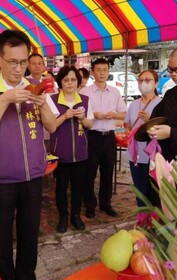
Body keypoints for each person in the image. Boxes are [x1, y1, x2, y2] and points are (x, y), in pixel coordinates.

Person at [0, 29, 58, 280]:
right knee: (2, 238)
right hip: (0, 179)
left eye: (23, 62)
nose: (19, 69)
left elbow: (51, 127)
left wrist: (41, 102)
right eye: (13, 62)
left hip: (32, 175)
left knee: (30, 235)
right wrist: (5, 99)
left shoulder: (34, 87)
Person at [80, 58, 127, 218]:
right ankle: (89, 205)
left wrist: (114, 115)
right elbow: (80, 114)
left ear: (108, 71)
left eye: (105, 70)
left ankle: (105, 204)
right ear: (92, 72)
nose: (101, 73)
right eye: (98, 69)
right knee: (89, 173)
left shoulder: (114, 92)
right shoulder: (85, 92)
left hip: (109, 137)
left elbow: (123, 113)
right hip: (91, 136)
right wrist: (94, 115)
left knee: (108, 171)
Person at [50, 66, 93, 233]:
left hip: (81, 153)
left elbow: (91, 124)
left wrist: (82, 118)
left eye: (73, 79)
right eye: (66, 80)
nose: (70, 83)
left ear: (78, 82)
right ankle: (63, 217)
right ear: (60, 82)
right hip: (60, 154)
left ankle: (75, 216)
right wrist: (65, 116)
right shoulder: (52, 100)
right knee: (61, 187)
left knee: (78, 187)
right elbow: (51, 126)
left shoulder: (85, 100)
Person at [124, 69, 162, 207]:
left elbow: (164, 127)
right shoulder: (134, 104)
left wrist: (149, 120)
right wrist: (128, 131)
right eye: (141, 80)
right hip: (135, 153)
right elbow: (127, 123)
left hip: (152, 153)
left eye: (148, 80)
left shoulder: (160, 104)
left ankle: (153, 218)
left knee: (152, 188)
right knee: (139, 187)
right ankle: (142, 217)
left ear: (156, 83)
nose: (143, 83)